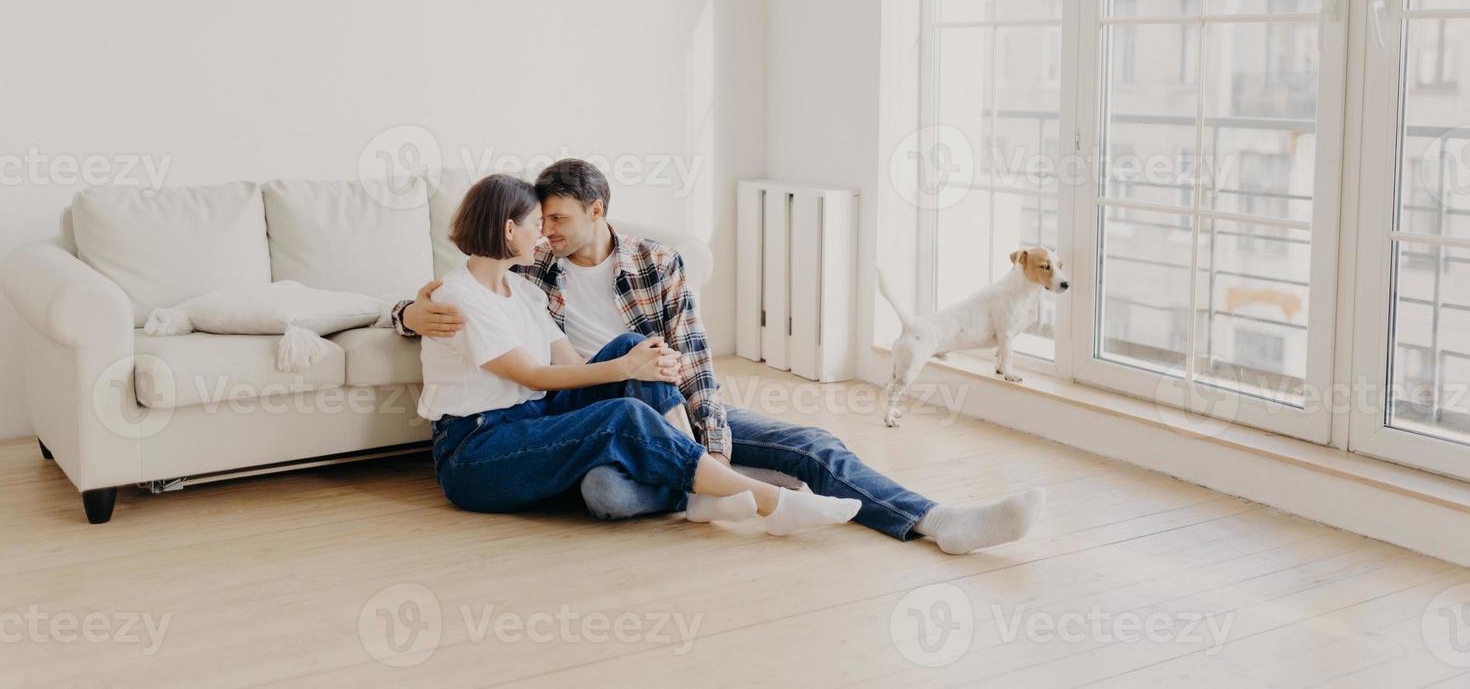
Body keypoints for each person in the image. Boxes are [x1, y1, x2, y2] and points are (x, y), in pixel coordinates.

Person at [400, 161, 1042, 554]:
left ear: (598, 211)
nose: (549, 231)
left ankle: (935, 519)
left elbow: (694, 360)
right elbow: (468, 297)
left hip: (666, 402)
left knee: (808, 441)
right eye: (540, 220)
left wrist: (714, 441)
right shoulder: (527, 269)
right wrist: (407, 310)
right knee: (608, 489)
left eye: (559, 218)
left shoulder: (657, 263)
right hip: (580, 408)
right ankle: (720, 487)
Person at [419, 172, 862, 535]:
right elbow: (534, 374)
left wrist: (637, 361)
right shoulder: (459, 297)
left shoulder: (521, 290)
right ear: (509, 229)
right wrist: (625, 369)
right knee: (621, 415)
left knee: (635, 343)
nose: (545, 234)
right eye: (537, 223)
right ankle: (769, 502)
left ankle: (702, 484)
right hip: (475, 451)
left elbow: (573, 368)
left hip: (533, 420)